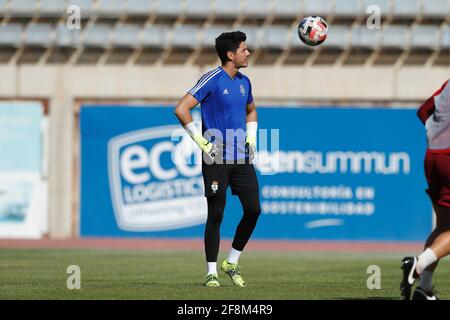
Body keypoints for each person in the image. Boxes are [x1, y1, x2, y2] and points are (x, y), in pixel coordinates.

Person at [174, 31, 261, 287]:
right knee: (216, 214)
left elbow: (251, 110)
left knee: (254, 210)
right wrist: (202, 143)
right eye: (244, 50)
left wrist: (251, 140)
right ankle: (211, 271)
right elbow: (181, 109)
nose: (248, 53)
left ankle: (231, 262)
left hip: (241, 158)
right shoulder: (212, 79)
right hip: (216, 158)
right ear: (230, 54)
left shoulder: (245, 82)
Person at [401, 79, 450, 300]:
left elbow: (423, 111)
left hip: (433, 155)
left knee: (444, 226)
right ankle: (418, 264)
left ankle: (424, 289)